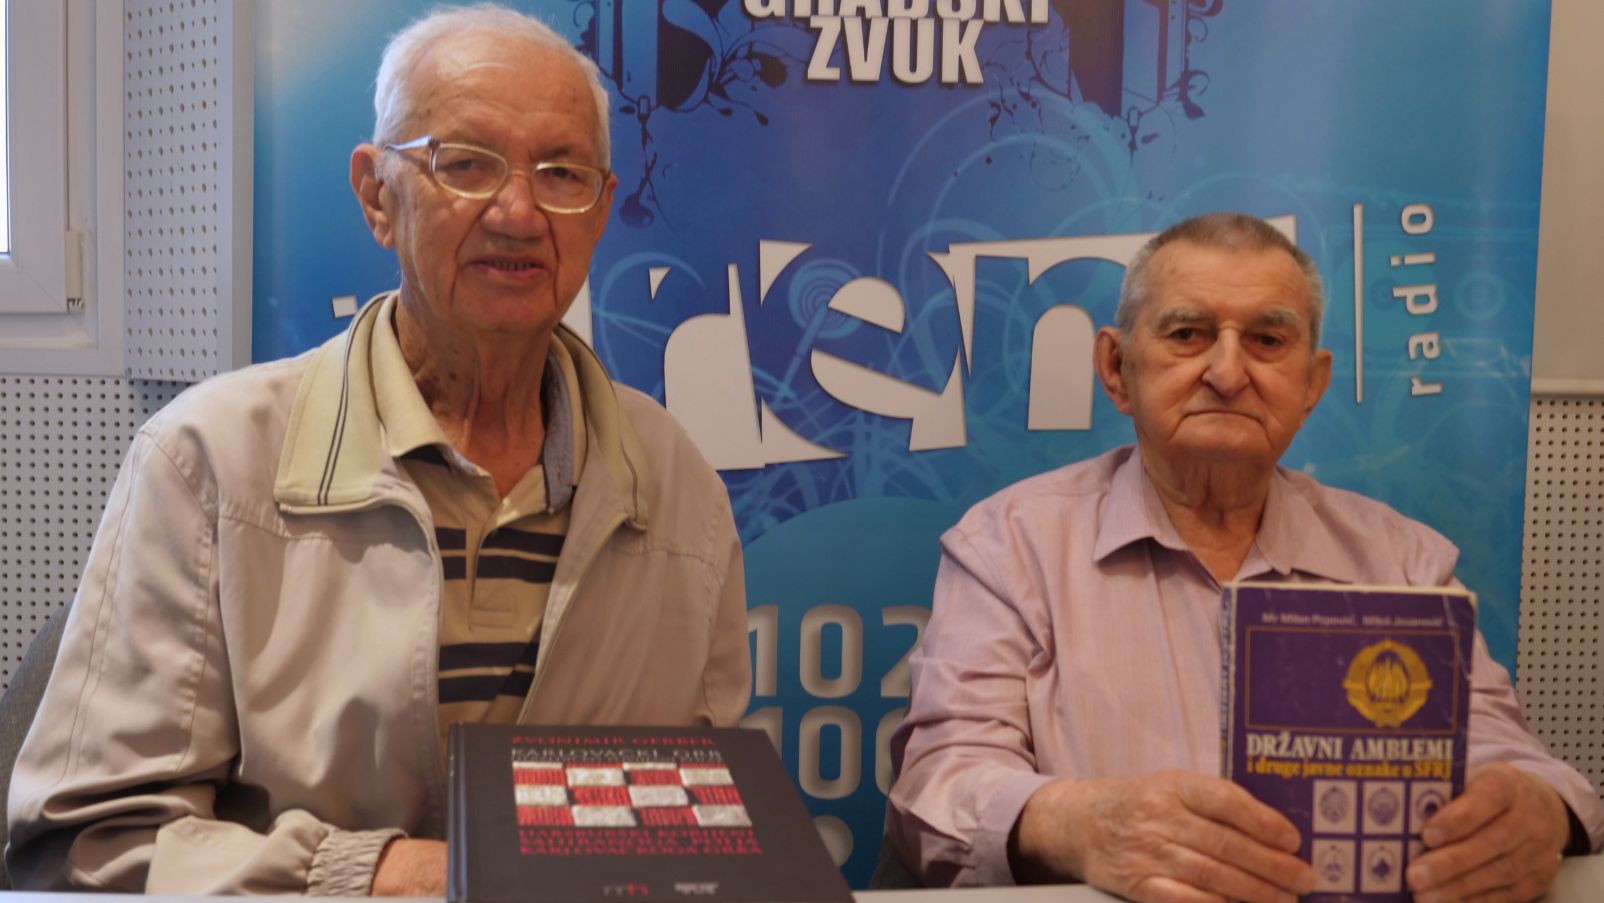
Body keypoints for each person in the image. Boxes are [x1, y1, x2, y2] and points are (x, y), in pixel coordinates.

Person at [6, 5, 750, 895]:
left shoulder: (675, 484)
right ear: (376, 196)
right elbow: (83, 850)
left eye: (561, 173)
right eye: (465, 163)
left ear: (599, 213)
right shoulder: (208, 463)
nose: (519, 212)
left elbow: (707, 830)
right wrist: (392, 875)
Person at [886, 212, 1602, 902]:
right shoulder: (1011, 545)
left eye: (1267, 339)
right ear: (1116, 366)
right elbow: (937, 784)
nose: (1228, 373)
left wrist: (1535, 811)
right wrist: (1082, 825)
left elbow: (1519, 763)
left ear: (1312, 384)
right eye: (1188, 334)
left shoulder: (1401, 560)